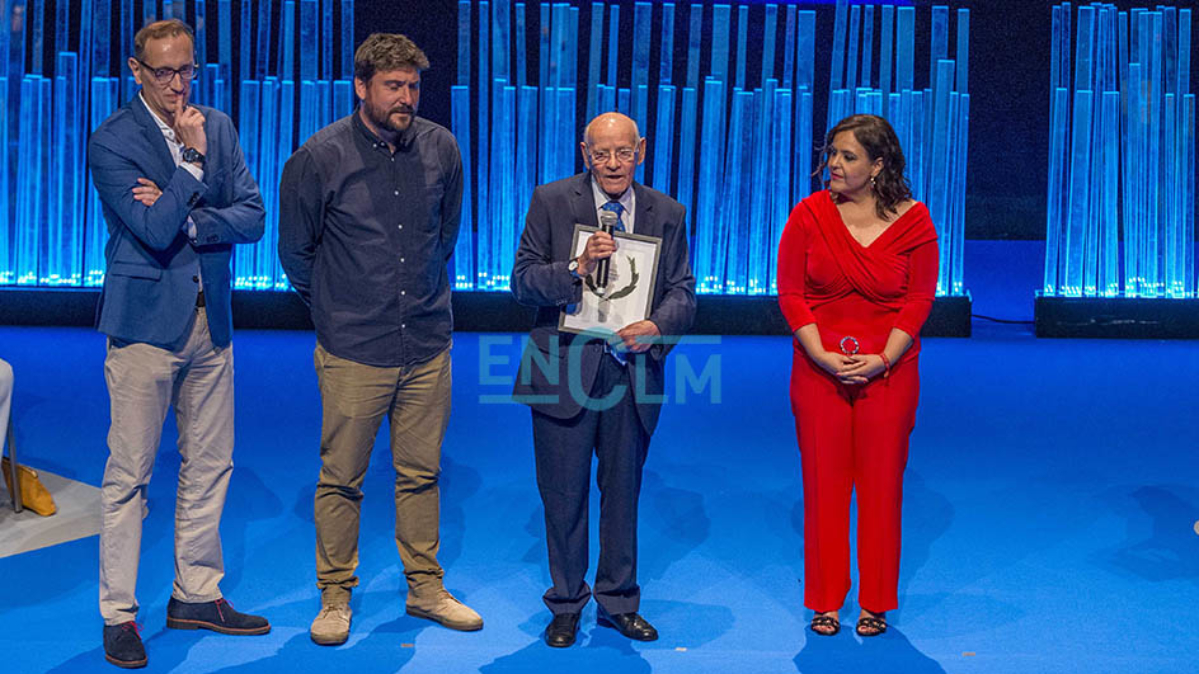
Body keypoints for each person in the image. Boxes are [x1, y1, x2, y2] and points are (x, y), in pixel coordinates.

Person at [278, 32, 481, 646]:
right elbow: (296, 253)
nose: (406, 97)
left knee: (420, 473)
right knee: (342, 478)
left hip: (425, 342)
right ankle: (335, 595)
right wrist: (339, 311)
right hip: (354, 348)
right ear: (362, 87)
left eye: (414, 85)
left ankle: (425, 588)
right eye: (393, 86)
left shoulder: (441, 147)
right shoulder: (319, 157)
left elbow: (445, 238)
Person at [88, 18, 268, 669]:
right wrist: (189, 169)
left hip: (209, 322)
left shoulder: (216, 124)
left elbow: (252, 214)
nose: (175, 84)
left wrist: (187, 208)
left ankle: (196, 592)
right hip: (143, 328)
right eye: (162, 71)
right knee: (129, 477)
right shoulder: (112, 140)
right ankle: (118, 613)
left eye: (185, 69)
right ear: (136, 71)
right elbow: (150, 228)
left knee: (210, 464)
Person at [510, 112, 696, 648]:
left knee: (623, 494)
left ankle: (618, 601)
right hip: (560, 367)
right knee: (562, 496)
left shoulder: (668, 212)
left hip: (631, 372)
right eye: (601, 154)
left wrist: (657, 325)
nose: (613, 164)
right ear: (584, 152)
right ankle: (566, 604)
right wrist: (573, 268)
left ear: (641, 149)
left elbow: (683, 291)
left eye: (623, 152)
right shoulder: (550, 201)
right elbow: (522, 281)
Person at [776, 114, 938, 638]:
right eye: (831, 154)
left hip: (889, 373)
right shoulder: (808, 214)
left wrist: (884, 359)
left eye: (848, 157)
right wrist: (820, 355)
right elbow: (792, 294)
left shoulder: (916, 223)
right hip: (818, 369)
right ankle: (824, 600)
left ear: (878, 165)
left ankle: (875, 602)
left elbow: (918, 301)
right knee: (824, 486)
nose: (834, 165)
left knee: (880, 488)